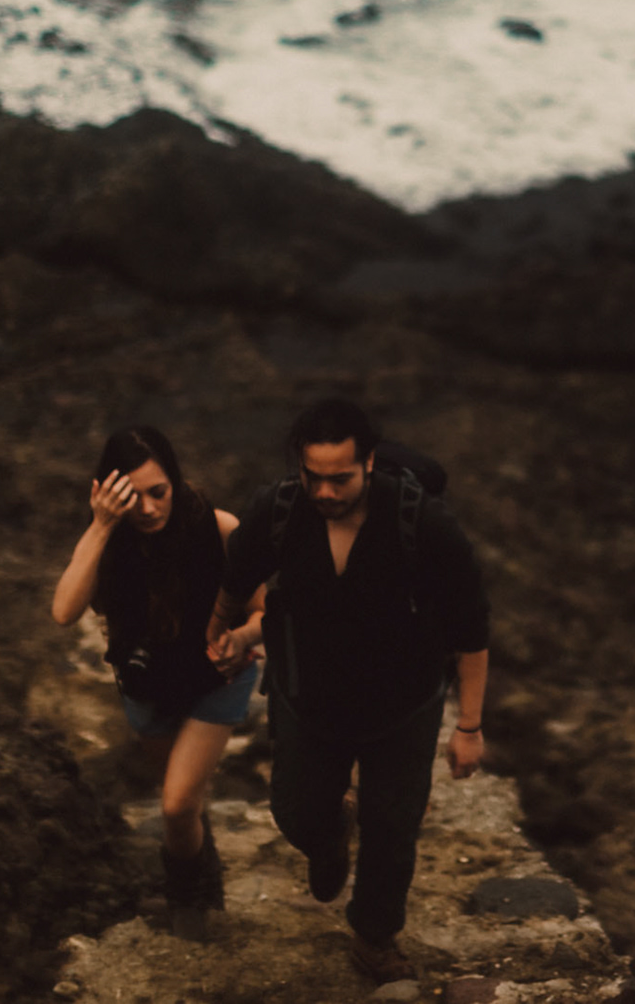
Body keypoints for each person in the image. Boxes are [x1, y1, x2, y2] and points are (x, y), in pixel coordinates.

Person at [208, 398, 489, 983]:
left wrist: (469, 726)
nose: (326, 491)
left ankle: (374, 937)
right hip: (308, 697)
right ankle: (331, 829)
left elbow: (471, 628)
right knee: (295, 812)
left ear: (369, 463)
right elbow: (235, 580)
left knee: (393, 827)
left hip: (403, 706)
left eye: (341, 479)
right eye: (314, 477)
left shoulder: (422, 523)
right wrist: (218, 636)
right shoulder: (280, 510)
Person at [51, 425, 264, 941]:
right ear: (109, 493)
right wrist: (101, 526)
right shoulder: (109, 540)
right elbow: (63, 611)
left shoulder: (218, 528)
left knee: (175, 804)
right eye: (133, 497)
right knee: (184, 806)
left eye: (158, 491)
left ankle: (187, 897)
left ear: (175, 479)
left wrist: (242, 636)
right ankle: (205, 877)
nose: (147, 509)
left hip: (216, 680)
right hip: (147, 688)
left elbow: (267, 609)